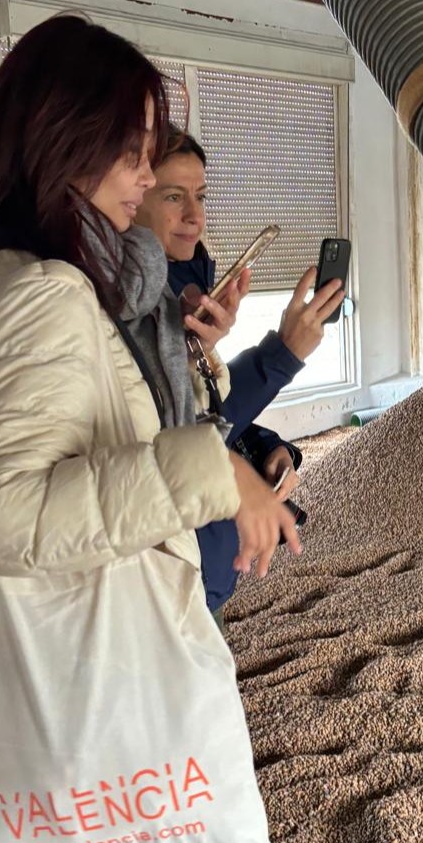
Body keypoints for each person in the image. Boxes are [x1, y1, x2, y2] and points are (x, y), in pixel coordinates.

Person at [0, 16, 304, 843]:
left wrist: (213, 404)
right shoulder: (49, 291)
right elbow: (3, 512)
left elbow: (88, 437)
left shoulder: (5, 275)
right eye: (134, 154)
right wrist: (215, 472)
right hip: (95, 676)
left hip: (38, 666)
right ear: (67, 143)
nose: (145, 177)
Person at [131, 126, 344, 624]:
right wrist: (283, 354)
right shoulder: (120, 302)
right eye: (173, 196)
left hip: (206, 567)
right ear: (130, 194)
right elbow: (168, 438)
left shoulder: (186, 278)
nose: (195, 216)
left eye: (201, 196)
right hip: (164, 581)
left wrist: (261, 447)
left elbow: (203, 411)